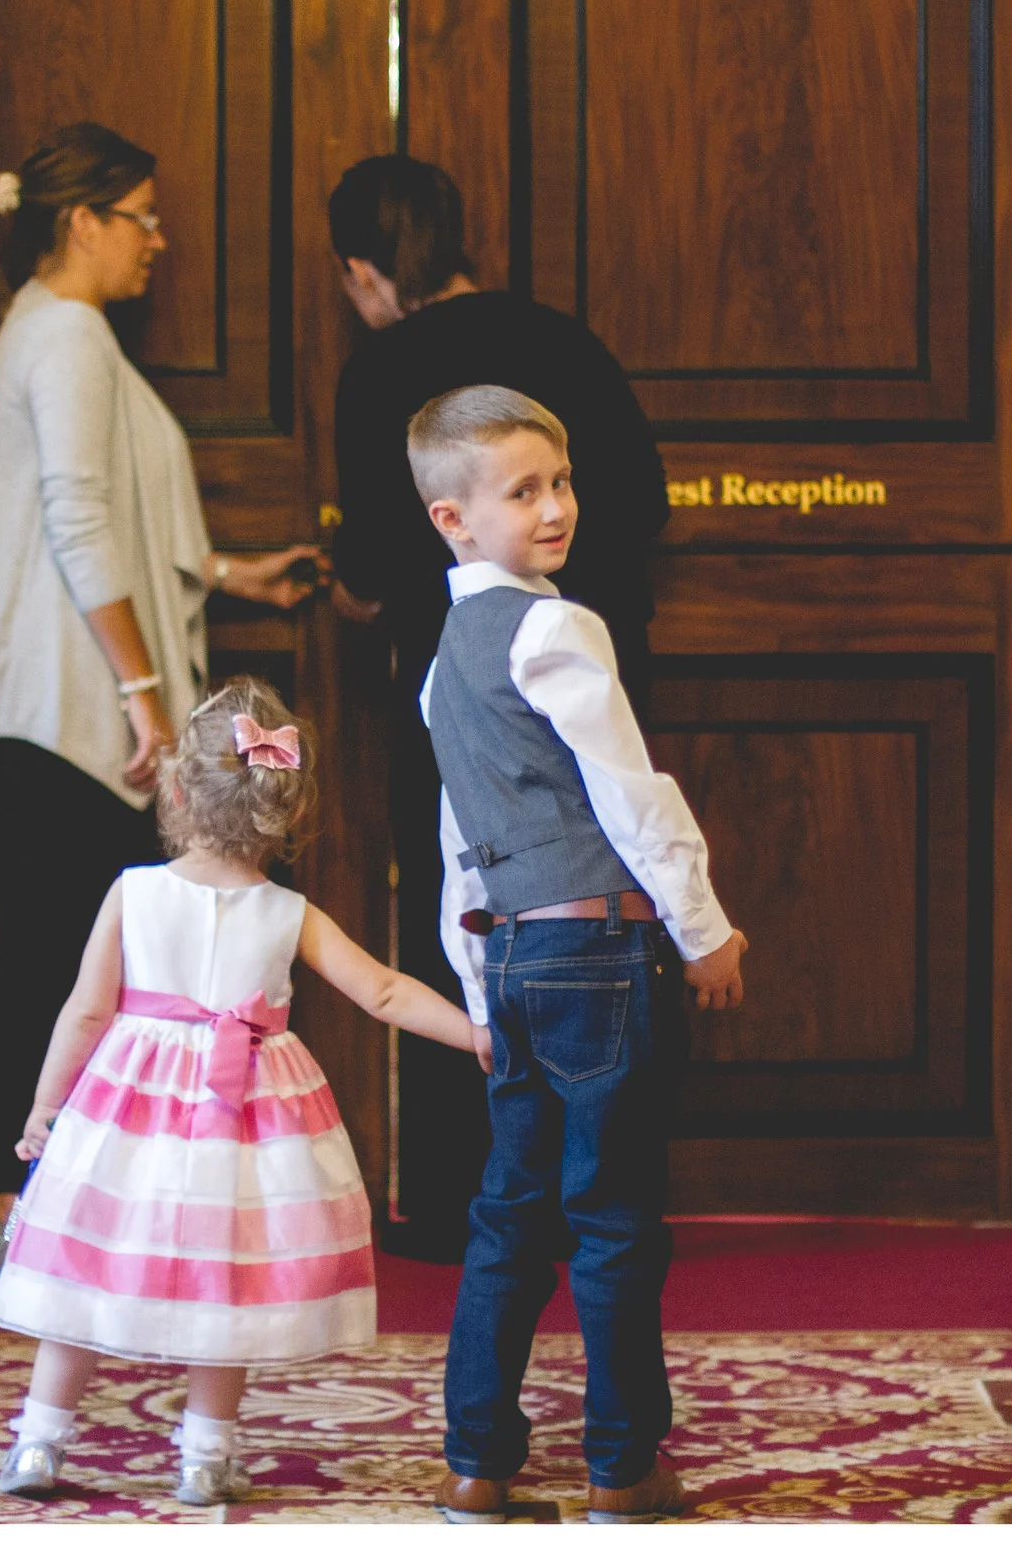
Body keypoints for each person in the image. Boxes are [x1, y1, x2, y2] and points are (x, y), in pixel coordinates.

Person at [0, 678, 479, 1507]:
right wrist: (481, 1035)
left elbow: (86, 1012)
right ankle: (205, 1457)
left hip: (129, 1119)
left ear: (176, 789)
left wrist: (46, 1105)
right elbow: (386, 993)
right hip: (247, 1126)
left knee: (84, 1271)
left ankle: (39, 1444)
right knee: (231, 1281)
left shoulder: (134, 893)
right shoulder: (289, 911)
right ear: (285, 806)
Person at [0, 124, 318, 1230]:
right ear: (83, 223)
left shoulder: (59, 331)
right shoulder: (64, 333)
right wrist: (145, 697)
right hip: (68, 718)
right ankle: (24, 1208)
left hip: (58, 709)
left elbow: (109, 508)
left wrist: (226, 575)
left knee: (75, 968)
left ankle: (48, 1205)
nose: (156, 241)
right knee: (66, 974)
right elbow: (79, 521)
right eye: (143, 218)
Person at [404, 387, 745, 1525]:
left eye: (560, 482)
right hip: (601, 953)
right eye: (522, 491)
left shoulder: (442, 665)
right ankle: (621, 1468)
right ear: (453, 520)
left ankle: (477, 1462)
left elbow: (461, 849)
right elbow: (632, 793)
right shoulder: (557, 628)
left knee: (506, 1216)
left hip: (508, 959)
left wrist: (477, 992)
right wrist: (703, 931)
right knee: (612, 1218)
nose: (555, 508)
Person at [326, 154, 670, 1260]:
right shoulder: (565, 344)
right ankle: (611, 1186)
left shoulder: (382, 369)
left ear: (367, 273)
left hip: (461, 688)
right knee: (613, 893)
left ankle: (460, 1198)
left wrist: (340, 586)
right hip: (594, 666)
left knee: (466, 908)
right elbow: (649, 500)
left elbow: (379, 561)